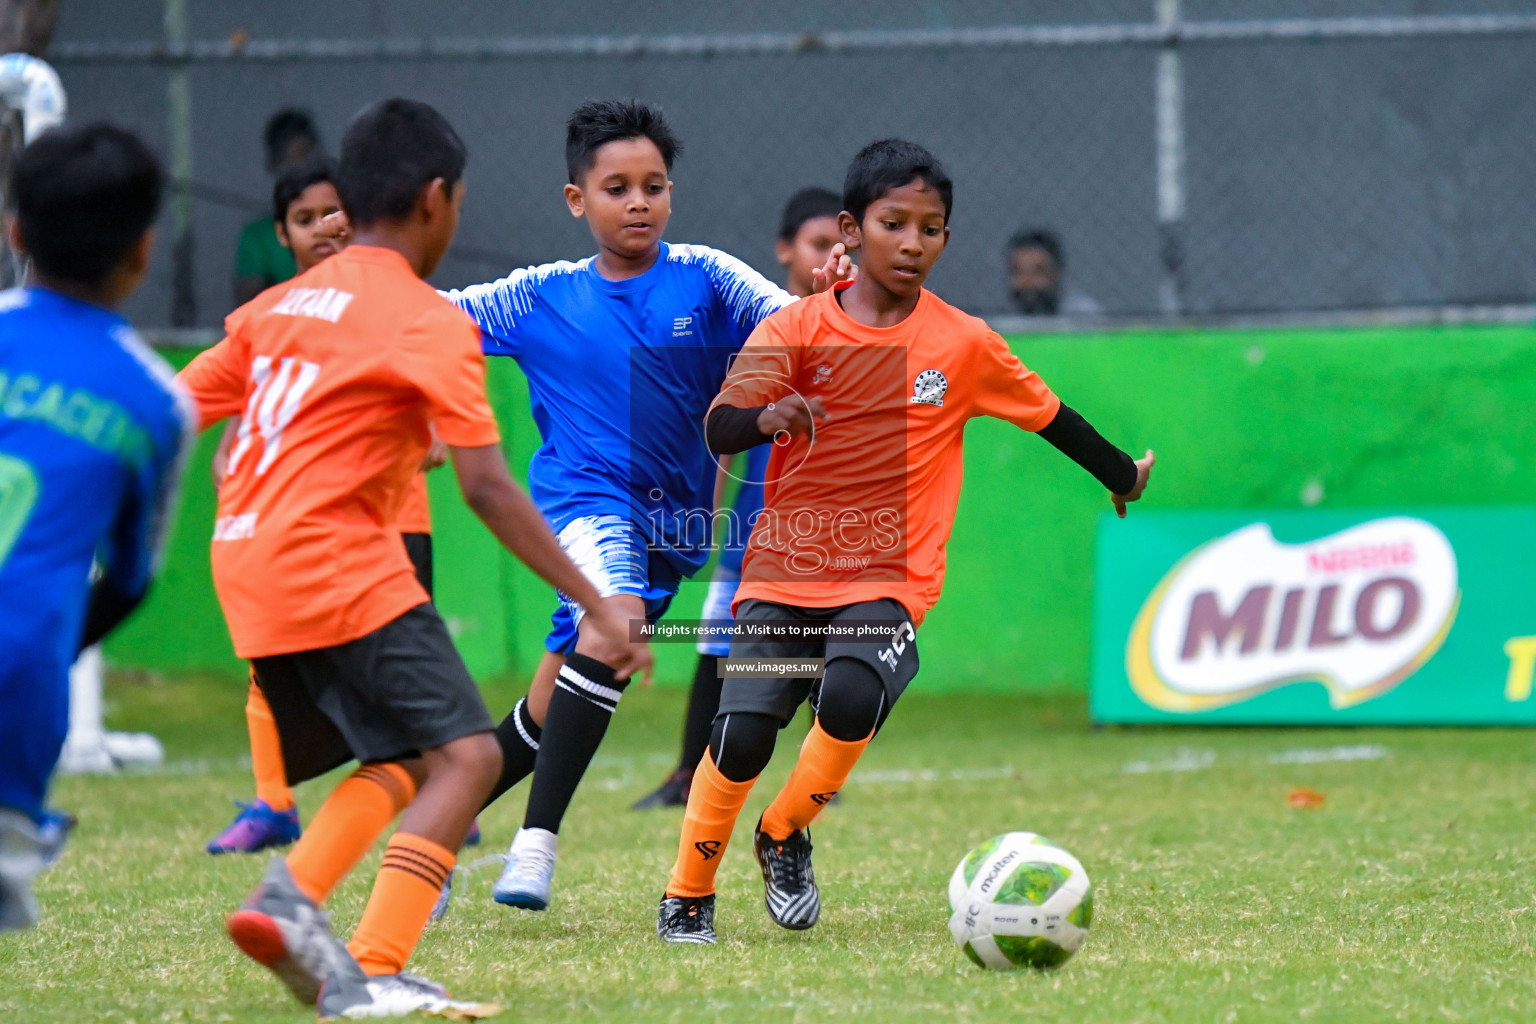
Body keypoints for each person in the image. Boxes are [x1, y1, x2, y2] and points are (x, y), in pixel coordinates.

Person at [177, 98, 650, 1017]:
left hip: (246, 568)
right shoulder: (429, 321)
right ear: (437, 199)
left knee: (398, 756)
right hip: (338, 565)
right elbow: (488, 488)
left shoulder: (272, 308)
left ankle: (292, 903)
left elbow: (168, 411)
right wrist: (595, 602)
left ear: (350, 201)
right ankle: (371, 959)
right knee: (467, 761)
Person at [656, 139, 1154, 943]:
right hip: (781, 575)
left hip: (888, 578)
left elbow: (1053, 418)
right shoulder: (795, 329)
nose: (914, 242)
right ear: (851, 231)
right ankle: (687, 893)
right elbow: (718, 422)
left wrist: (1122, 474)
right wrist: (764, 417)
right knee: (742, 733)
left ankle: (782, 833)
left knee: (853, 696)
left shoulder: (962, 343)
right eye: (894, 223)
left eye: (932, 228)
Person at [439, 100, 852, 913]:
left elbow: (802, 328)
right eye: (616, 187)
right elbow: (427, 321)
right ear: (575, 201)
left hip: (675, 535)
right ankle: (536, 845)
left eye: (653, 186)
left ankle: (428, 840)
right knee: (614, 622)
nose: (638, 202)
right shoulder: (535, 298)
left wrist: (833, 293)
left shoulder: (709, 276)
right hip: (587, 511)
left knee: (543, 709)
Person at [204, 157, 472, 858]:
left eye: (334, 212)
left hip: (381, 529)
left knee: (412, 729)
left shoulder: (392, 305)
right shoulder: (278, 320)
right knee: (438, 744)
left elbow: (432, 408)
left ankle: (434, 791)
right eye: (305, 219)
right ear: (283, 236)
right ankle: (285, 805)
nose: (324, 229)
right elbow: (243, 417)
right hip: (318, 545)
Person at [0, 123, 194, 931]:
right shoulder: (156, 404)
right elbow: (130, 578)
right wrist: (49, 647)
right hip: (20, 687)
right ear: (142, 252)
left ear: (15, 231)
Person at [632, 185, 843, 810]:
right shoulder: (762, 335)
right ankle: (685, 774)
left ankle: (817, 779)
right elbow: (725, 437)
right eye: (817, 243)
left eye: (840, 244)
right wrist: (705, 517)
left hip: (834, 527)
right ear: (785, 249)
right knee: (718, 647)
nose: (830, 256)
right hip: (756, 528)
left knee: (831, 649)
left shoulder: (855, 334)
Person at [233, 108, 321, 308]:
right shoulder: (258, 236)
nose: (304, 166)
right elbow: (249, 306)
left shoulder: (344, 223)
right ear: (274, 165)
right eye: (295, 157)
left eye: (308, 153)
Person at [1008, 227, 1101, 316]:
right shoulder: (1003, 321)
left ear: (1056, 273)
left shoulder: (1085, 317)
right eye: (1018, 272)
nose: (1027, 282)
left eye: (1038, 272)